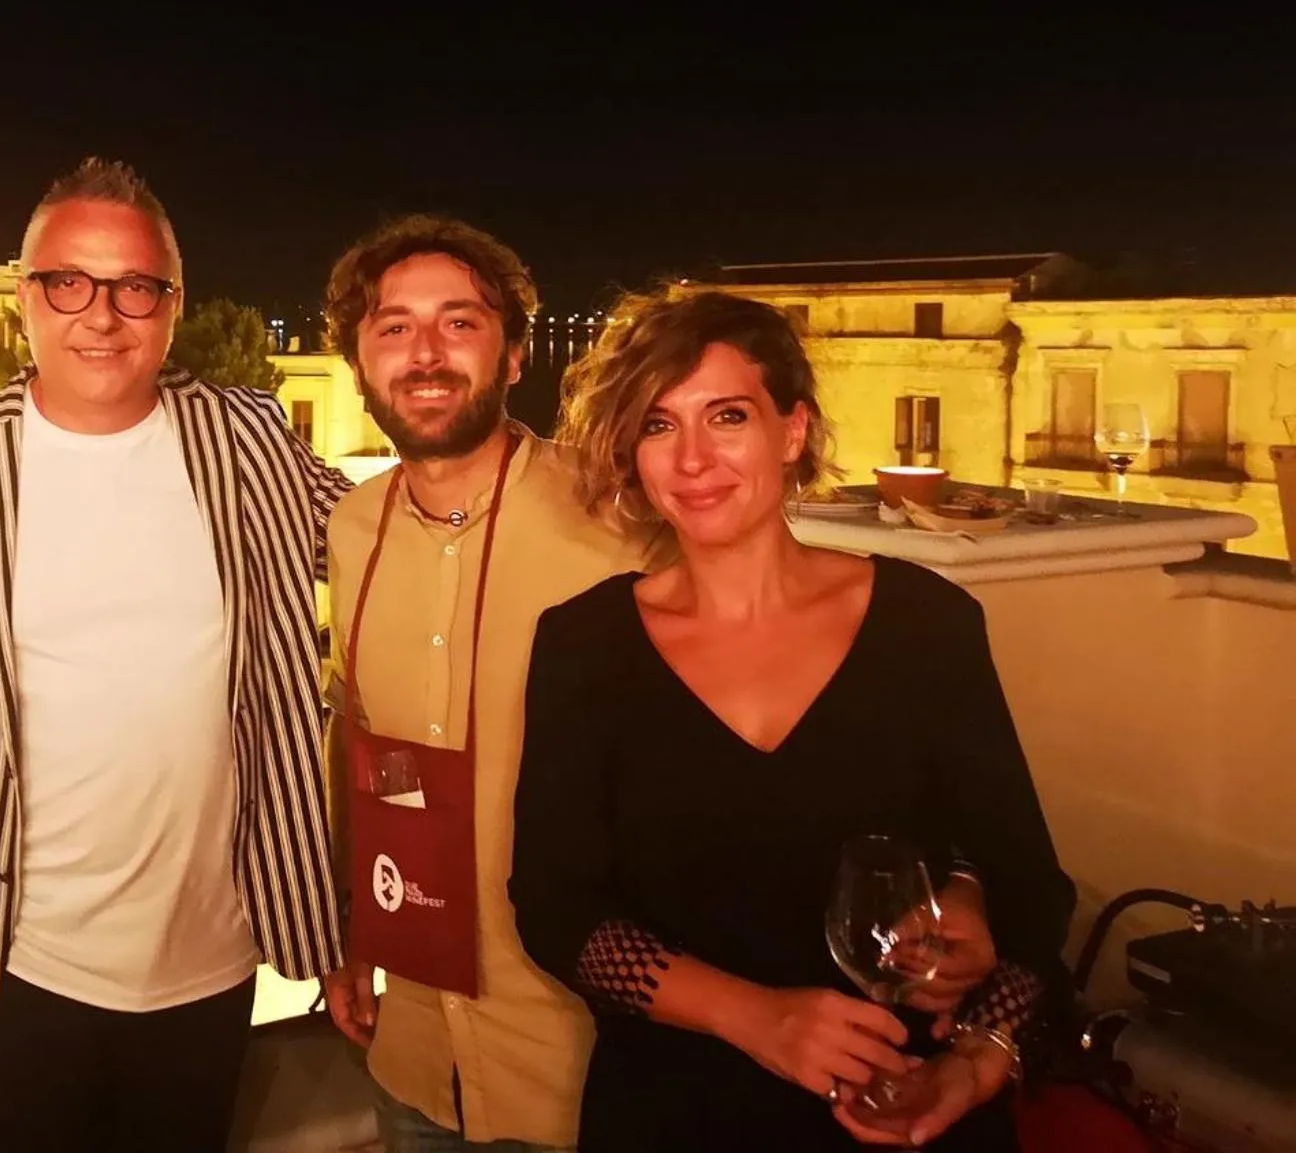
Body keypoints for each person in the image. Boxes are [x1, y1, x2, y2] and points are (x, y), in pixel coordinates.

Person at [509, 287, 1074, 1151]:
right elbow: (557, 911)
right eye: (659, 425)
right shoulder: (584, 645)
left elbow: (1030, 887)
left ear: (793, 431)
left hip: (907, 1106)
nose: (692, 458)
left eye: (726, 415)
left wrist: (975, 1055)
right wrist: (754, 1017)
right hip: (677, 1114)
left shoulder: (926, 622)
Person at [0, 157, 350, 1152]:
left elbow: (387, 543)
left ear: (172, 305)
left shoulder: (246, 440)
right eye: (68, 282)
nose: (101, 315)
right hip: (13, 968)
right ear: (26, 294)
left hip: (210, 966)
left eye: (135, 286)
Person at [316, 217, 637, 1152]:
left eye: (459, 323)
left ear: (515, 351)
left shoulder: (615, 517)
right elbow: (358, 737)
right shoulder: (352, 526)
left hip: (581, 1056)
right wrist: (350, 935)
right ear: (359, 360)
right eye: (393, 327)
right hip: (411, 1047)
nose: (425, 354)